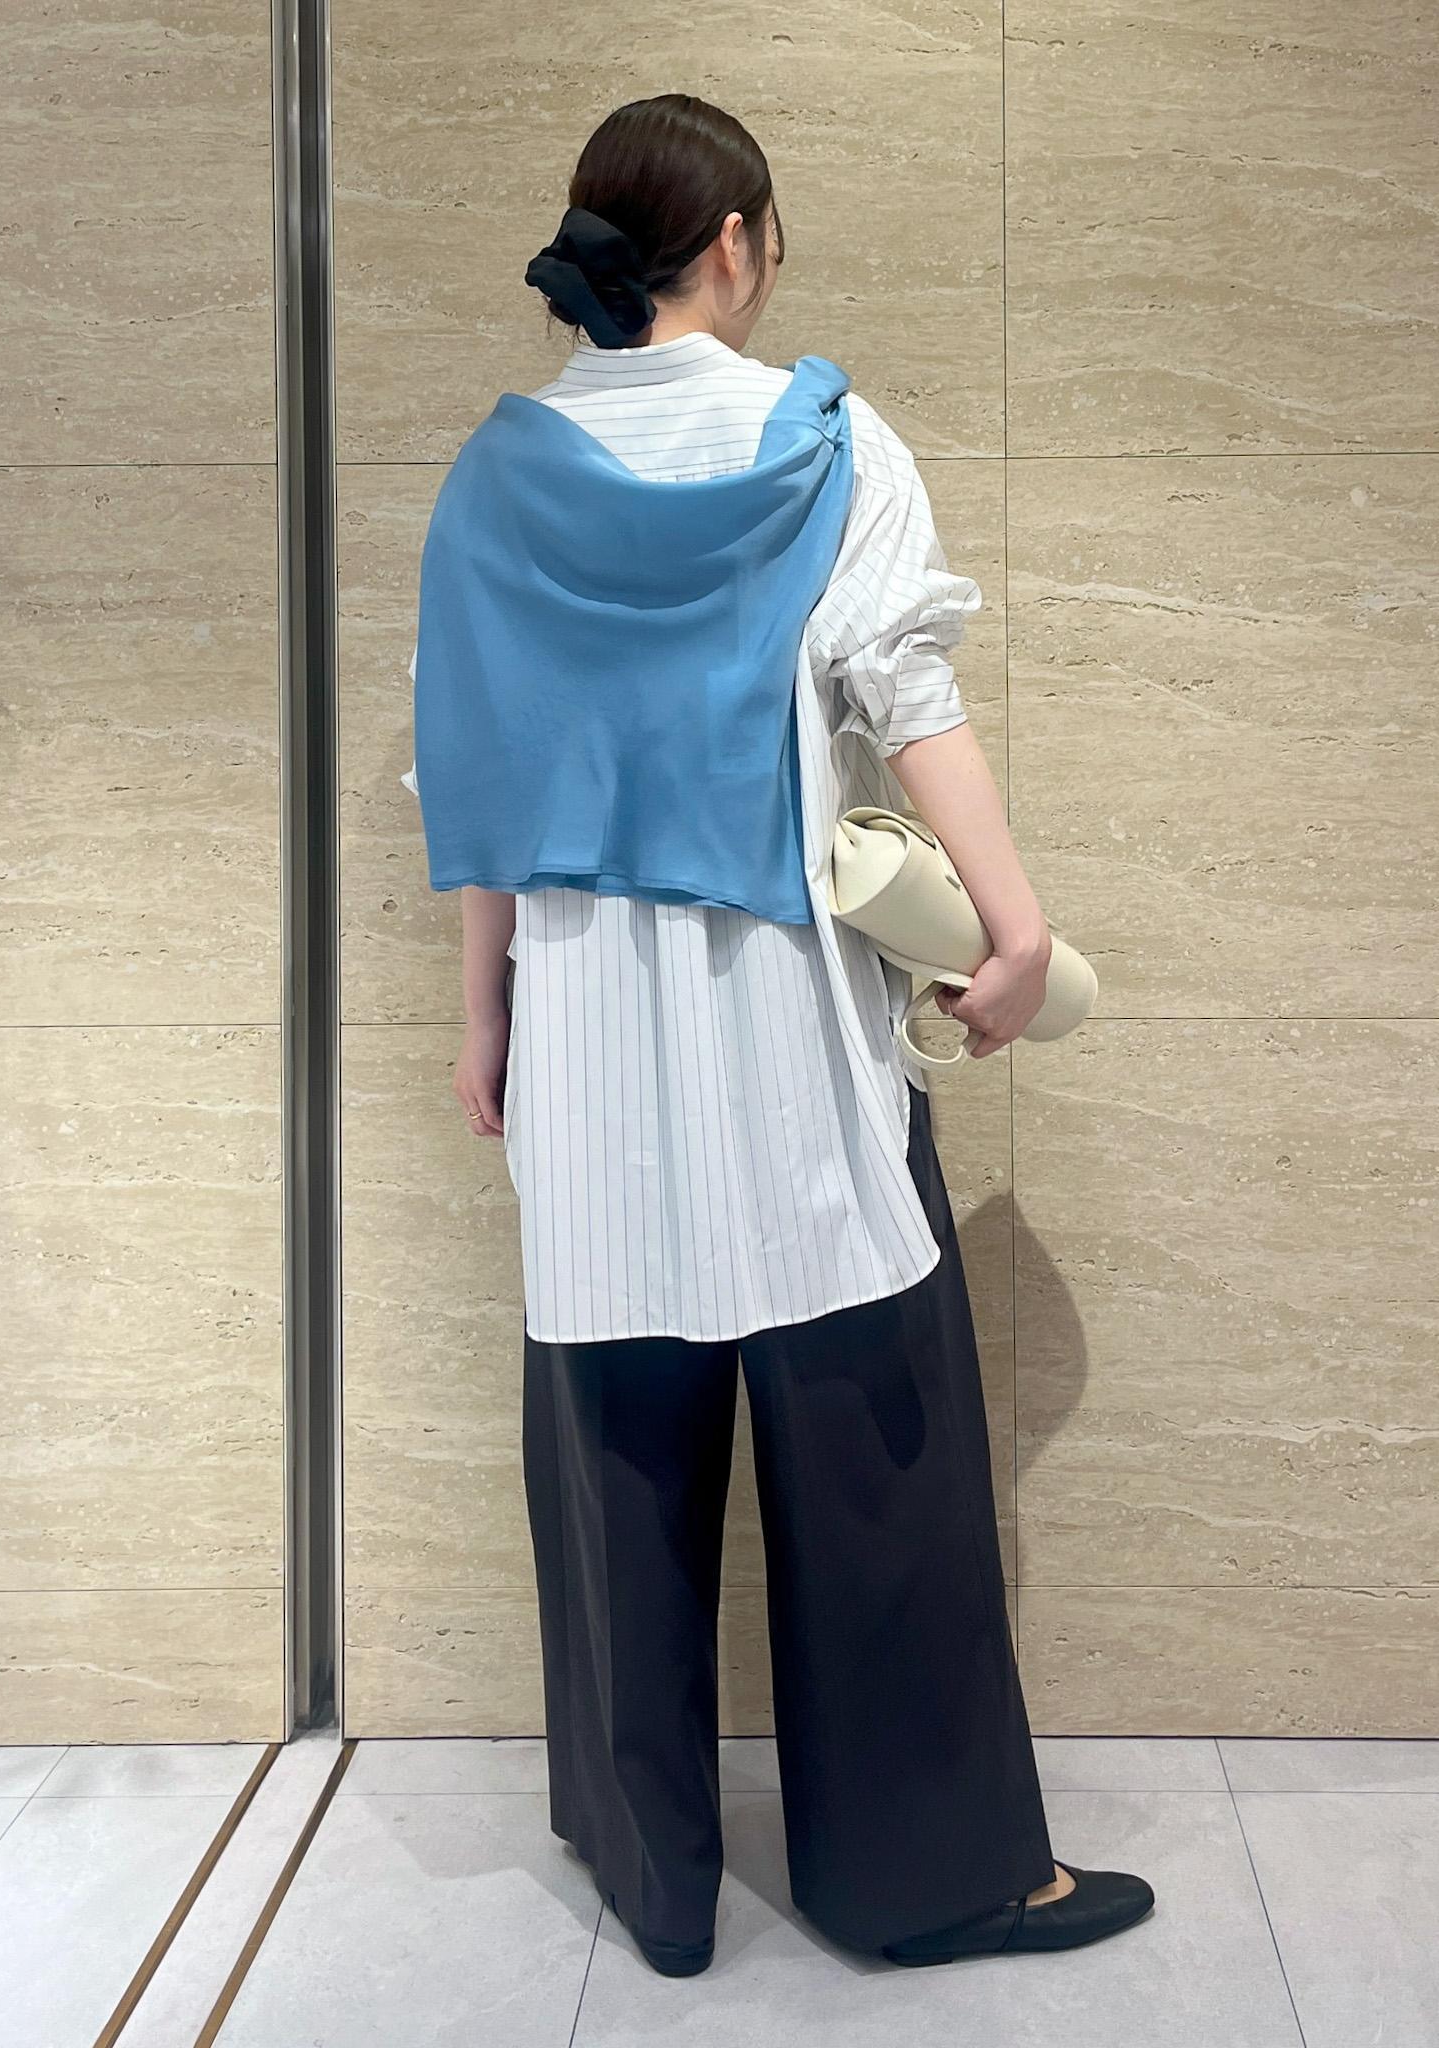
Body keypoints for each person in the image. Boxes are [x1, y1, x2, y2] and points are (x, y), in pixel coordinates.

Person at [405, 91, 1155, 1979]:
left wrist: (484, 1010)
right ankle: (930, 1879)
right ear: (734, 243)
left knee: (612, 1458)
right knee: (875, 1454)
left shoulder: (496, 473)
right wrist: (1015, 925)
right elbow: (908, 694)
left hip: (586, 1035)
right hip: (782, 1036)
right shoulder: (824, 440)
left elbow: (477, 769)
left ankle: (651, 1882)